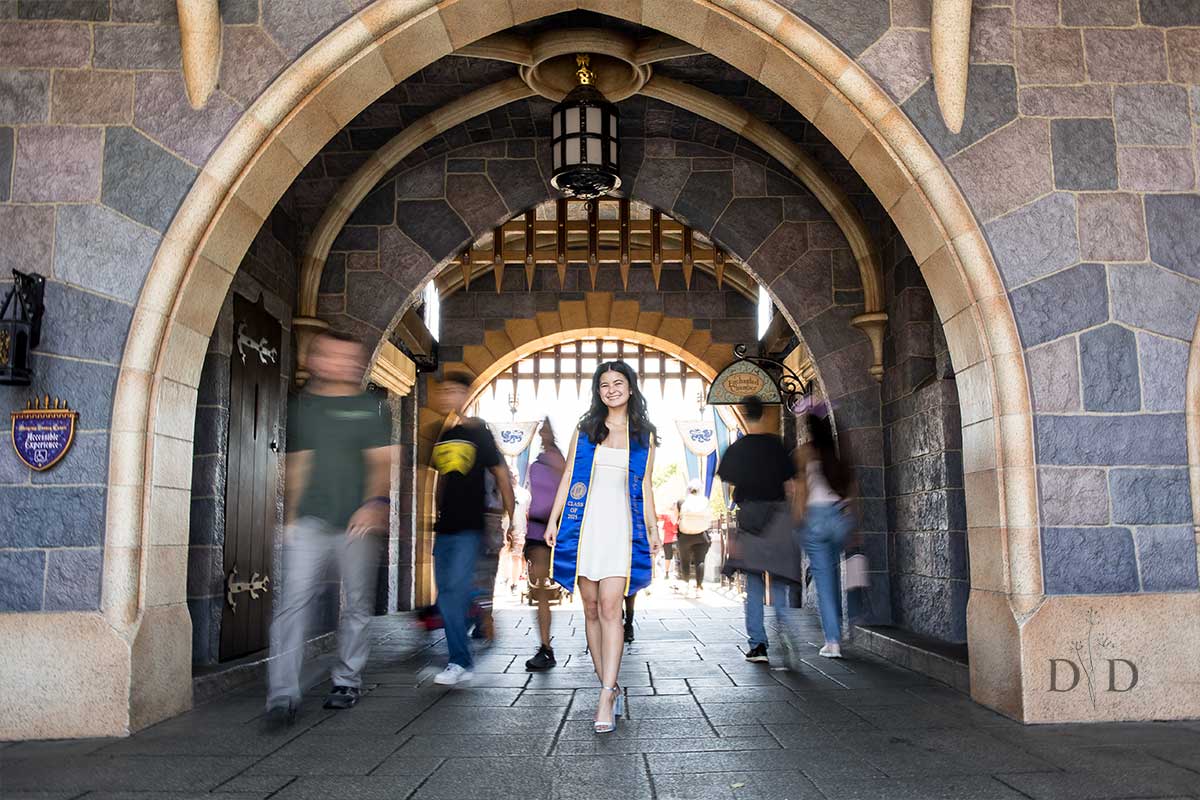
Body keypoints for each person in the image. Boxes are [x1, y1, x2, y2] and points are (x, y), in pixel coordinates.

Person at [267, 331, 394, 724]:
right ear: (317, 360)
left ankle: (347, 680)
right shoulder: (303, 409)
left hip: (357, 522)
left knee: (356, 604)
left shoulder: (371, 407)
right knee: (292, 604)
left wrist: (374, 504)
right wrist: (288, 520)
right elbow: (298, 465)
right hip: (311, 520)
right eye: (336, 356)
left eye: (351, 358)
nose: (345, 364)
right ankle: (283, 694)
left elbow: (380, 462)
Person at [545, 361, 660, 733]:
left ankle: (607, 694)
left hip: (621, 528)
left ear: (630, 388)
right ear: (598, 391)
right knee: (591, 608)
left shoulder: (643, 434)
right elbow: (567, 477)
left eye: (618, 382)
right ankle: (607, 683)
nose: (611, 389)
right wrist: (553, 519)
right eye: (604, 384)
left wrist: (653, 528)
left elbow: (645, 485)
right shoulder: (587, 430)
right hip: (585, 526)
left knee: (612, 607)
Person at [430, 372, 514, 684]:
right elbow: (442, 479)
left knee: (452, 594)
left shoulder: (480, 433)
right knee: (448, 592)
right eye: (443, 391)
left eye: (453, 390)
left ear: (466, 394)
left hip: (469, 526)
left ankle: (460, 662)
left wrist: (511, 517)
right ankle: (475, 602)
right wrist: (437, 511)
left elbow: (502, 475)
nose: (445, 397)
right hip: (446, 528)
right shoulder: (444, 435)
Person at [717, 396, 804, 667]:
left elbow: (729, 486)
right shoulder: (776, 445)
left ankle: (758, 645)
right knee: (777, 581)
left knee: (753, 585)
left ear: (744, 413)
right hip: (778, 517)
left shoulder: (737, 448)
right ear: (763, 414)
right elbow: (791, 485)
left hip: (751, 517)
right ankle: (784, 627)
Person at [796, 407, 857, 659]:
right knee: (847, 570)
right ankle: (851, 622)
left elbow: (801, 491)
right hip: (840, 516)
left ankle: (833, 641)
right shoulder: (838, 452)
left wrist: (798, 522)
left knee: (825, 581)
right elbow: (853, 488)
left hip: (817, 520)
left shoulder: (805, 453)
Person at [523, 418, 566, 672]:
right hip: (538, 531)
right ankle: (545, 646)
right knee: (539, 590)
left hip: (560, 530)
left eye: (546, 429)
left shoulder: (558, 462)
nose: (543, 433)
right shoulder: (539, 463)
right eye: (541, 430)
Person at [676, 483, 712, 597]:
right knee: (700, 561)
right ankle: (699, 588)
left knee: (685, 561)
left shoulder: (681, 502)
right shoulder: (704, 502)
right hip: (701, 535)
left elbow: (675, 518)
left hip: (685, 535)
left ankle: (686, 586)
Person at [507, 473, 531, 595]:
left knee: (517, 556)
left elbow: (528, 513)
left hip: (519, 529)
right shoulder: (501, 489)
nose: (514, 477)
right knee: (501, 555)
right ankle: (503, 579)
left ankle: (514, 583)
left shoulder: (525, 494)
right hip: (502, 528)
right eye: (511, 475)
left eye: (516, 475)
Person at [657, 509, 678, 591]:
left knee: (668, 558)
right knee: (678, 558)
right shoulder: (679, 517)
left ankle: (667, 573)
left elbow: (657, 516)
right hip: (676, 540)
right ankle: (677, 571)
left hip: (668, 540)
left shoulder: (667, 516)